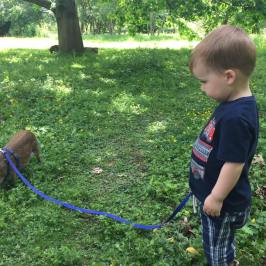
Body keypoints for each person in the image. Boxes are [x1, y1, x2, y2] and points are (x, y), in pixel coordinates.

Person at [188, 25, 259, 266]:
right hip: (215, 195)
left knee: (217, 251)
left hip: (223, 204)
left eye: (204, 81)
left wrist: (216, 197)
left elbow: (234, 163)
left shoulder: (236, 118)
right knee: (222, 240)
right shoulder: (233, 104)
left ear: (229, 76)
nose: (202, 88)